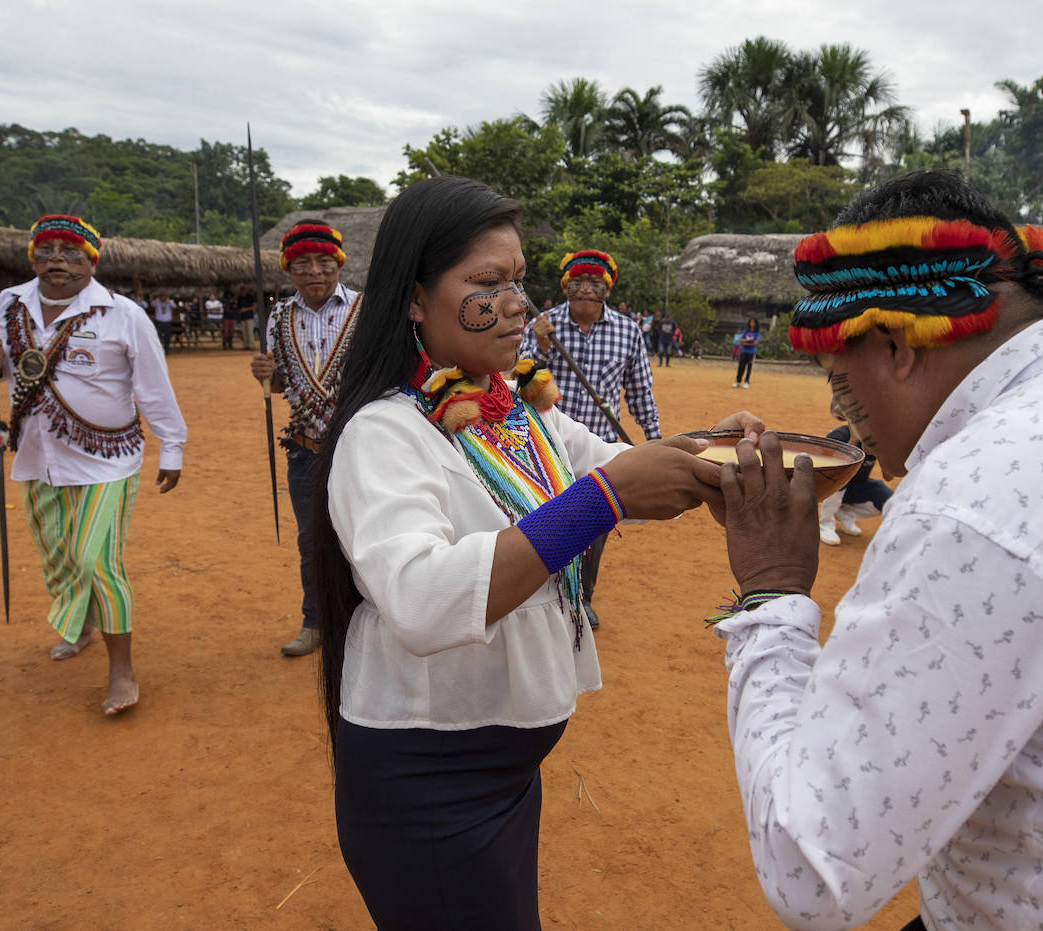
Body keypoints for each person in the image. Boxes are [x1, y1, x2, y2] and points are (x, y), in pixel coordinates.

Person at [709, 170, 1043, 929]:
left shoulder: (985, 482)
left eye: (840, 382)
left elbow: (810, 869)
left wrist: (770, 592)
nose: (841, 414)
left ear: (897, 344)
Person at [309, 175, 744, 929]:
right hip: (433, 783)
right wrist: (601, 501)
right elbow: (417, 597)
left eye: (518, 281)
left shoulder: (512, 409)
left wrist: (720, 450)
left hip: (501, 770)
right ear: (413, 298)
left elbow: (613, 462)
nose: (518, 305)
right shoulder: (384, 433)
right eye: (488, 284)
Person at [0, 214, 186, 716]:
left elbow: (153, 388)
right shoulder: (5, 305)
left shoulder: (122, 313)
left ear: (92, 260)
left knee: (97, 562)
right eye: (47, 251)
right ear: (32, 257)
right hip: (36, 456)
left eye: (72, 254)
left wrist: (171, 446)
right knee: (60, 560)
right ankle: (84, 625)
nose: (58, 263)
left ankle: (122, 670)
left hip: (107, 461)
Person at [521, 248, 662, 629]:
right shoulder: (542, 326)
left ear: (607, 289)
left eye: (594, 284)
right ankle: (542, 596)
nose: (585, 290)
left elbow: (640, 392)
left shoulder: (627, 331)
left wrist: (654, 442)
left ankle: (582, 599)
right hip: (548, 441)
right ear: (566, 287)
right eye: (578, 283)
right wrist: (542, 347)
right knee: (546, 516)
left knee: (596, 519)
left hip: (599, 443)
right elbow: (519, 378)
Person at [249, 220, 360, 657]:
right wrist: (267, 375)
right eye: (302, 264)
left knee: (362, 534)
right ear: (289, 269)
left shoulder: (364, 309)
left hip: (359, 448)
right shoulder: (279, 315)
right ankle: (316, 621)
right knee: (313, 541)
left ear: (338, 264)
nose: (314, 271)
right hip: (306, 450)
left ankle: (364, 620)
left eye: (323, 262)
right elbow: (284, 384)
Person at [818, 397, 893, 546]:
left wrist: (883, 452)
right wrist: (854, 440)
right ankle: (826, 524)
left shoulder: (879, 440)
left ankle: (846, 513)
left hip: (857, 487)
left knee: (889, 500)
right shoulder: (839, 436)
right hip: (832, 486)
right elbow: (828, 474)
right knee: (841, 479)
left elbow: (889, 476)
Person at [732, 316, 760, 388]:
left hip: (751, 352)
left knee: (749, 367)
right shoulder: (746, 331)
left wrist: (746, 342)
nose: (752, 324)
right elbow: (741, 339)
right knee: (741, 366)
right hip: (744, 351)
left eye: (753, 322)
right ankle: (738, 381)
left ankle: (747, 382)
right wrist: (748, 341)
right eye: (751, 322)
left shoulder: (757, 332)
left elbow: (755, 342)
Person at [235, 287, 257, 351]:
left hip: (249, 317)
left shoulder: (250, 297)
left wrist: (246, 309)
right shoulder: (239, 298)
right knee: (244, 332)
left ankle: (251, 345)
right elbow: (238, 307)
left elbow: (255, 306)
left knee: (250, 332)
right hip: (242, 317)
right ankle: (246, 345)